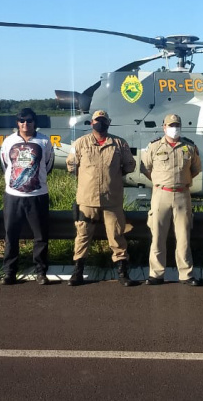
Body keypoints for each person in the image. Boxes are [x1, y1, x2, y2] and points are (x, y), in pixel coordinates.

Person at [66, 109, 138, 287]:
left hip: (111, 199)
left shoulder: (119, 144)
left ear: (108, 122)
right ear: (92, 123)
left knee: (117, 236)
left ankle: (122, 273)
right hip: (87, 199)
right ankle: (77, 272)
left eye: (104, 120)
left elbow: (130, 165)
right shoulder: (81, 143)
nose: (101, 123)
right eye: (97, 120)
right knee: (82, 236)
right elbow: (71, 166)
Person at [140, 113, 203, 286]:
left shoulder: (189, 147)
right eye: (170, 125)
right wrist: (160, 181)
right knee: (157, 235)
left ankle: (186, 274)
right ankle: (156, 274)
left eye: (176, 125)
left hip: (183, 194)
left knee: (183, 237)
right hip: (161, 194)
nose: (174, 128)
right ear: (164, 127)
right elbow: (145, 168)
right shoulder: (154, 147)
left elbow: (196, 168)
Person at [0, 108, 55, 285]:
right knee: (11, 235)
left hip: (37, 194)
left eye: (29, 120)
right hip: (13, 195)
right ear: (17, 122)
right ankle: (9, 271)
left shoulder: (44, 140)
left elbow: (48, 164)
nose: (26, 124)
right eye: (22, 120)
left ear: (34, 122)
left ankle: (41, 272)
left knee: (40, 236)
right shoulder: (8, 141)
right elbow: (6, 164)